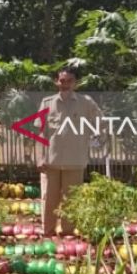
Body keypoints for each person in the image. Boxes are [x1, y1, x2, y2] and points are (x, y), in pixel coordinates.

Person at [35, 66, 102, 237]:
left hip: (75, 159)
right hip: (51, 161)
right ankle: (47, 232)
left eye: (69, 81)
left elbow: (100, 122)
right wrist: (39, 156)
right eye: (62, 80)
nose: (65, 84)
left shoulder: (86, 103)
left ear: (75, 83)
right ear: (57, 81)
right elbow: (40, 132)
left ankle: (67, 232)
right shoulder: (47, 103)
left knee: (71, 200)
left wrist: (96, 136)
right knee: (49, 199)